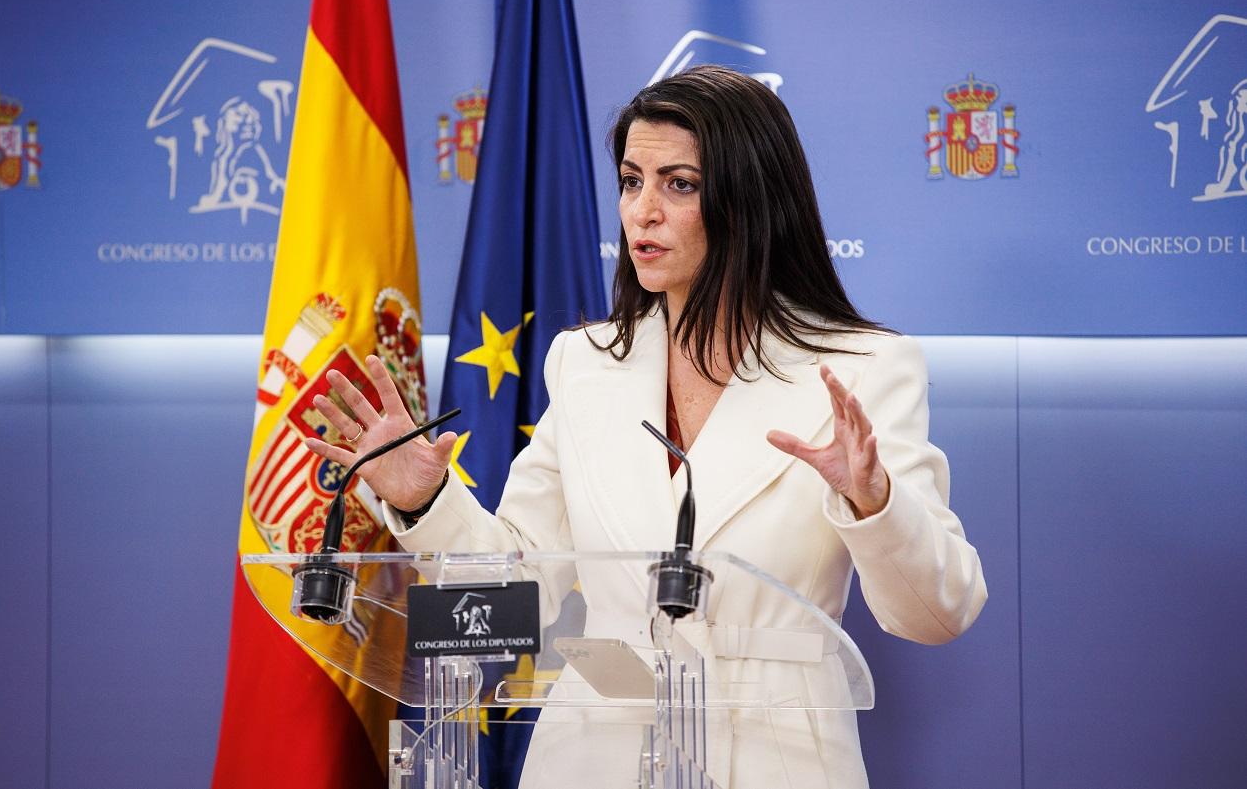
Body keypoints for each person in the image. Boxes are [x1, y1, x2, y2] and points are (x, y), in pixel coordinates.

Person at [305, 65, 987, 788]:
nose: (642, 210)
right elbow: (519, 594)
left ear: (750, 198)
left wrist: (873, 502)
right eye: (632, 181)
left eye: (679, 184)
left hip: (774, 757)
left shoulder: (865, 368)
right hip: (593, 756)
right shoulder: (584, 364)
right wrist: (425, 500)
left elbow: (936, 614)